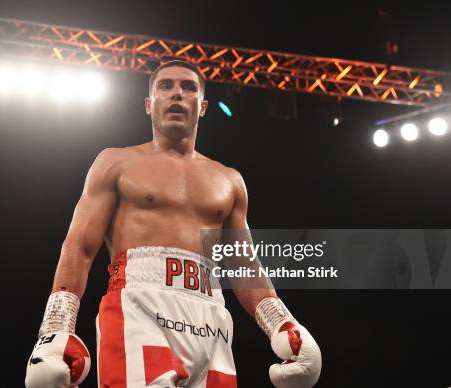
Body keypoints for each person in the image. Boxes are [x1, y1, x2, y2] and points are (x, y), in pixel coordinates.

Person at [25, 60, 321, 388]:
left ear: (203, 106)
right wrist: (56, 327)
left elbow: (245, 267)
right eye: (165, 86)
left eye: (188, 87)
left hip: (210, 314)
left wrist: (284, 324)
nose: (176, 93)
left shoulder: (229, 180)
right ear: (149, 104)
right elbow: (80, 246)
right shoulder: (116, 162)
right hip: (140, 303)